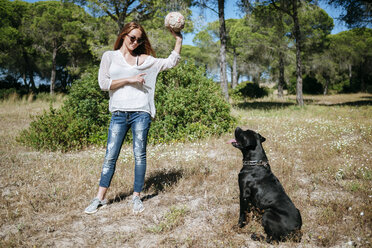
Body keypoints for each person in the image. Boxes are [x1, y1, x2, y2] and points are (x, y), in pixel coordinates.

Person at [85, 21, 182, 214]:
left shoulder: (146, 60)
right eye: (132, 38)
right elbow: (104, 84)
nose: (135, 42)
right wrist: (130, 79)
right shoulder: (109, 57)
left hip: (141, 112)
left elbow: (171, 62)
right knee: (110, 156)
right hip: (119, 113)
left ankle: (136, 197)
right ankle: (99, 198)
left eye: (139, 39)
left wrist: (178, 40)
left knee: (140, 155)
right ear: (123, 35)